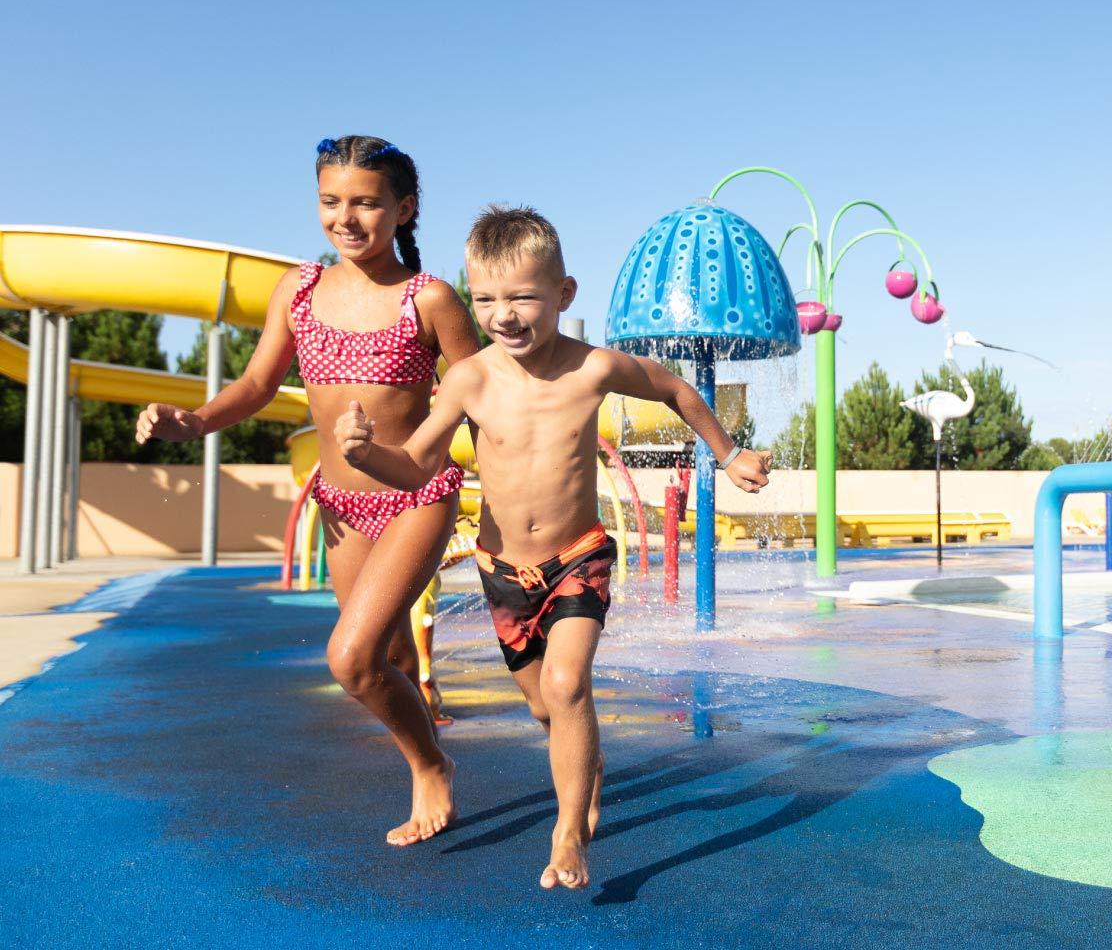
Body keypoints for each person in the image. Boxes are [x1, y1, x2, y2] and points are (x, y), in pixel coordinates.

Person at [335, 204, 771, 890]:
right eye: (484, 299)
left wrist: (729, 452)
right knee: (545, 707)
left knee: (568, 686)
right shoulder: (470, 378)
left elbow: (678, 390)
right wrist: (367, 456)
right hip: (504, 570)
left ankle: (568, 835)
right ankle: (584, 761)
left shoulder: (593, 368)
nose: (502, 315)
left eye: (522, 298)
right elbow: (417, 465)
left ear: (564, 295)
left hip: (578, 556)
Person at [138, 136, 481, 846]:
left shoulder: (430, 298)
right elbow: (257, 386)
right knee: (386, 657)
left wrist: (517, 493)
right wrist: (194, 421)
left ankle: (430, 765)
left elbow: (486, 395)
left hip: (418, 494)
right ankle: (422, 704)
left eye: (365, 202)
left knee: (351, 661)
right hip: (342, 507)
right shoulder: (299, 290)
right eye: (331, 201)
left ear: (403, 208)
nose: (346, 218)